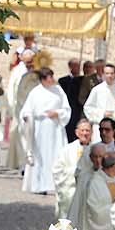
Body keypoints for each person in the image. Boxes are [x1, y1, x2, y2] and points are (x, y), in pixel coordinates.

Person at [19, 68, 71, 197]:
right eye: (49, 78)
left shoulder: (58, 91)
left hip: (55, 128)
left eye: (52, 77)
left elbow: (66, 108)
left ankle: (56, 184)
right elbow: (27, 110)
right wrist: (27, 117)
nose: (52, 80)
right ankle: (39, 184)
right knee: (41, 156)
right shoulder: (35, 92)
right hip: (40, 128)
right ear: (43, 79)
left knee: (56, 155)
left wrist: (57, 113)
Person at [81, 62, 115, 130]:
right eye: (107, 73)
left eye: (112, 73)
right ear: (103, 74)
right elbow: (88, 107)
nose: (109, 76)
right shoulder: (97, 90)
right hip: (99, 124)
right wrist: (102, 113)